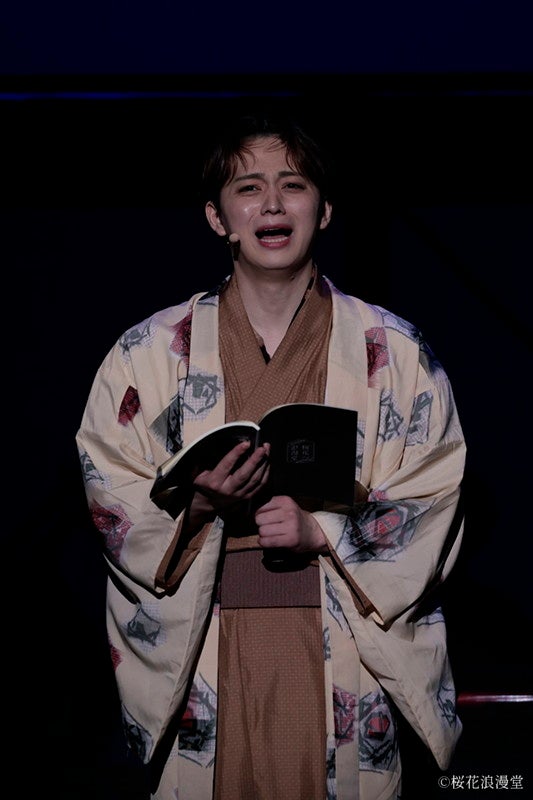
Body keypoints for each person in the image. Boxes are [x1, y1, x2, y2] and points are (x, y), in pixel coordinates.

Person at [76, 107, 466, 800]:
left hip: (339, 643)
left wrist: (325, 531)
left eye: (293, 185)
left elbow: (434, 486)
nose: (273, 204)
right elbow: (110, 478)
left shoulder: (394, 349)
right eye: (248, 188)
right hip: (207, 644)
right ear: (217, 217)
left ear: (324, 210)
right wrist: (198, 507)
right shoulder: (147, 353)